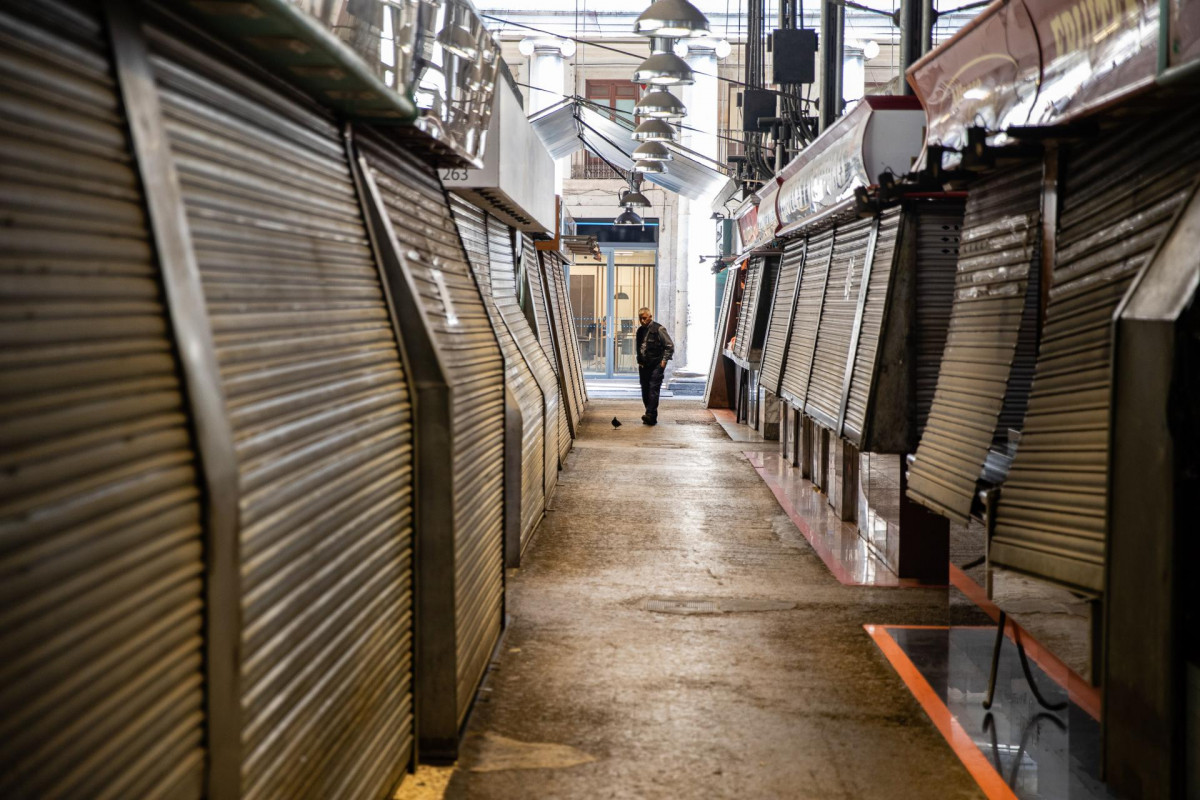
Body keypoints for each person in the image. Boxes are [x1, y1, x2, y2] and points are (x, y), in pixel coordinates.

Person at [635, 307, 674, 425]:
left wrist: (664, 361)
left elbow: (669, 346)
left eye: (645, 318)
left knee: (653, 389)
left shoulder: (659, 329)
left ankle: (650, 414)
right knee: (645, 390)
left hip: (656, 364)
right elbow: (640, 347)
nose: (642, 321)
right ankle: (650, 415)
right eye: (640, 318)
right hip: (644, 365)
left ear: (650, 317)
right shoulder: (640, 330)